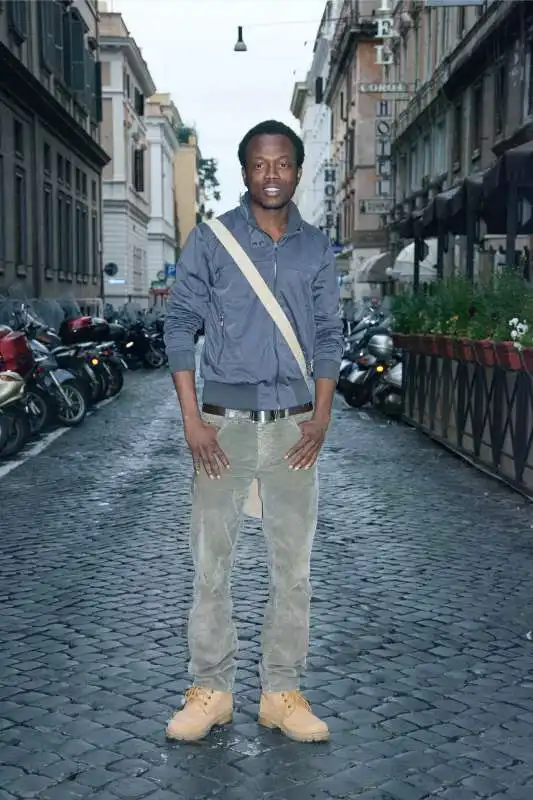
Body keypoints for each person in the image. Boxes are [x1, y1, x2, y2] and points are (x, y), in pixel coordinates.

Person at [163, 120, 343, 743]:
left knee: (292, 569)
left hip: (296, 429)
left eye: (283, 164)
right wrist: (193, 420)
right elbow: (179, 327)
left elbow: (327, 336)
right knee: (211, 565)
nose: (272, 175)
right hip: (224, 428)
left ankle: (281, 692)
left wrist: (321, 415)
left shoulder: (317, 247)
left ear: (295, 170)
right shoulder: (212, 242)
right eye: (260, 165)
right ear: (244, 171)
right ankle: (211, 690)